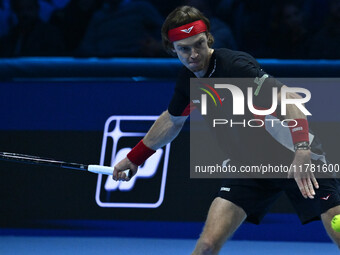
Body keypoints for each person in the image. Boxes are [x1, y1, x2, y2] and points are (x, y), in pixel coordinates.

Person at [112, 5, 340, 254]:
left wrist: (303, 149)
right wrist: (135, 158)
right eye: (184, 49)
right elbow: (171, 120)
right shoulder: (188, 81)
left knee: (337, 225)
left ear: (208, 38)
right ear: (172, 49)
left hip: (295, 155)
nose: (193, 55)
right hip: (250, 168)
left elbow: (289, 102)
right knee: (207, 245)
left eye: (198, 44)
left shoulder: (235, 66)